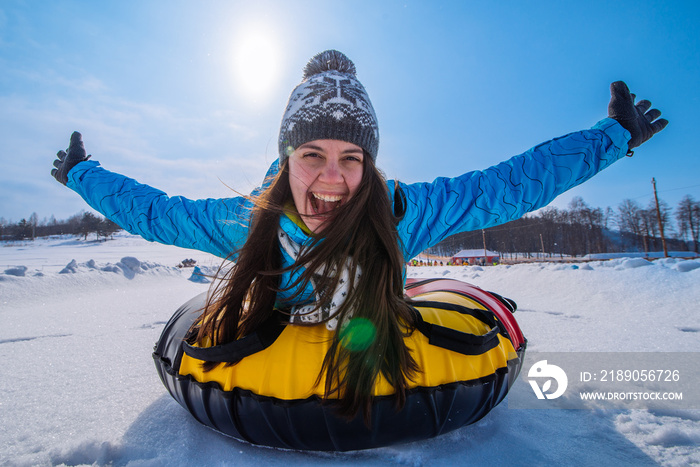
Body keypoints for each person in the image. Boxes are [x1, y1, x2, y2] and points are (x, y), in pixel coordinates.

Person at [51, 50, 667, 421]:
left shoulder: (402, 212)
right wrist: (82, 174)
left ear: (370, 162)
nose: (331, 178)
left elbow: (507, 185)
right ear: (286, 156)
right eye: (312, 153)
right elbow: (156, 212)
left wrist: (612, 137)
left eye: (352, 157)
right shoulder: (248, 222)